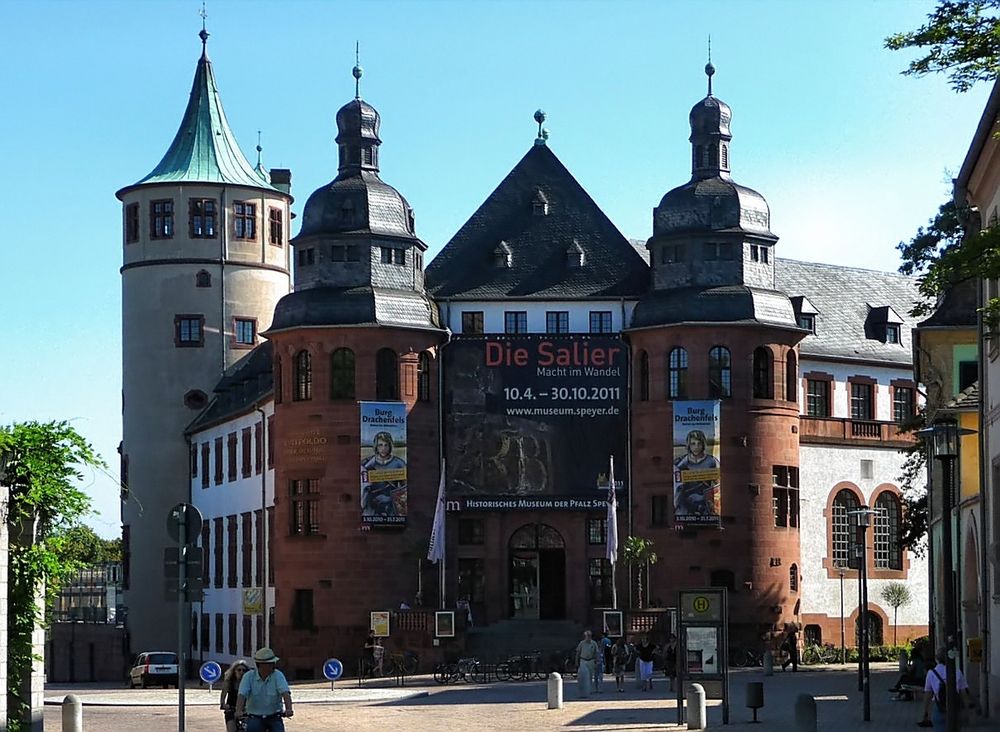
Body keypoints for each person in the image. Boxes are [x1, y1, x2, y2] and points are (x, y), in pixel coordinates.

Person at [235, 648, 293, 732]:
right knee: (253, 727)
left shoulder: (278, 675)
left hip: (274, 715)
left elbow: (285, 693)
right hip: (254, 716)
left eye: (273, 663)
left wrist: (289, 709)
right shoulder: (248, 676)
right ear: (260, 664)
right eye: (270, 663)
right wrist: (238, 710)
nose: (273, 665)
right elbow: (242, 695)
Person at [919, 647, 975, 728]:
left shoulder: (931, 673)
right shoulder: (957, 672)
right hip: (955, 709)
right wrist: (968, 712)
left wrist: (925, 712)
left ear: (937, 658)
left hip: (939, 707)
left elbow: (928, 695)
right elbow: (964, 695)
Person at [673, 429, 721, 518]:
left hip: (706, 508)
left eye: (699, 443)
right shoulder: (679, 463)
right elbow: (676, 489)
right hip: (684, 510)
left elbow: (718, 486)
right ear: (688, 445)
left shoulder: (712, 461)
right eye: (693, 444)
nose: (696, 447)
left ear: (703, 444)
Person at [361, 431, 407, 518]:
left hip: (391, 508)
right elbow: (363, 488)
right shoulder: (367, 464)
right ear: (376, 446)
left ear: (390, 446)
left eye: (386, 445)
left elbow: (405, 489)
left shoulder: (399, 463)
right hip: (371, 508)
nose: (383, 448)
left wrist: (390, 499)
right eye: (380, 445)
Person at [219, 659, 249, 732]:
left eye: (244, 670)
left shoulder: (249, 683)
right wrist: (223, 704)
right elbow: (223, 695)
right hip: (231, 709)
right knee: (231, 728)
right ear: (234, 671)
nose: (241, 672)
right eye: (239, 670)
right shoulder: (229, 682)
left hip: (245, 711)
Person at [575, 630, 599, 697]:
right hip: (583, 660)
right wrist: (576, 661)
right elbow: (578, 652)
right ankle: (582, 689)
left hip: (591, 660)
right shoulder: (582, 643)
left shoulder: (594, 643)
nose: (588, 637)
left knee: (590, 675)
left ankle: (589, 689)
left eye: (589, 636)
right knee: (582, 675)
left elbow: (596, 653)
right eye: (587, 636)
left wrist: (597, 661)